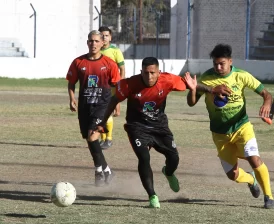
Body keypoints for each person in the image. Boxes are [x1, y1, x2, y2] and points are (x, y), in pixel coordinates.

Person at [96, 57, 230, 208]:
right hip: (137, 127)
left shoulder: (167, 79)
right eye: (146, 73)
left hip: (160, 127)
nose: (149, 76)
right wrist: (102, 121)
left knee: (174, 158)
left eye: (153, 73)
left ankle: (168, 172)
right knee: (144, 157)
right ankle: (152, 195)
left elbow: (191, 84)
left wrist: (212, 90)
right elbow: (114, 100)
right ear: (141, 72)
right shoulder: (129, 84)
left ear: (159, 72)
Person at [186, 44, 274, 209]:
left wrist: (267, 104)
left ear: (230, 61)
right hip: (220, 134)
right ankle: (250, 179)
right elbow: (191, 103)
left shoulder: (241, 76)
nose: (218, 67)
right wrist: (194, 89)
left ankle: (268, 196)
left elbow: (266, 93)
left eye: (222, 64)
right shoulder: (206, 78)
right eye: (215, 64)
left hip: (242, 127)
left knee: (254, 159)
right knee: (232, 175)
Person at [66, 30, 120, 187]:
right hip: (84, 107)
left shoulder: (109, 64)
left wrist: (116, 106)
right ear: (87, 42)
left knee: (92, 137)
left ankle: (99, 171)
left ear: (102, 43)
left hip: (102, 106)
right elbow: (71, 82)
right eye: (91, 41)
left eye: (97, 41)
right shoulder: (78, 62)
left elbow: (117, 87)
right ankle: (107, 171)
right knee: (90, 140)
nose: (94, 44)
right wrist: (72, 99)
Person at [98, 26, 126, 149]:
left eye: (106, 35)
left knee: (108, 112)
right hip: (99, 86)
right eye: (102, 35)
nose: (104, 37)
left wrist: (120, 84)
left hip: (112, 86)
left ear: (110, 37)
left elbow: (122, 68)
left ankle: (108, 139)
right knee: (99, 113)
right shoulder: (96, 51)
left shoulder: (115, 51)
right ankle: (102, 139)